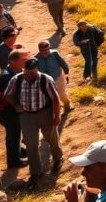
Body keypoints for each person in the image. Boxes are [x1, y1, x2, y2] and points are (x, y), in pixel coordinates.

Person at [5, 57, 63, 186]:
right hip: (26, 115)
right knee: (31, 144)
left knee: (51, 138)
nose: (30, 74)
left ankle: (58, 158)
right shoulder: (17, 79)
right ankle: (36, 172)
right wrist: (16, 106)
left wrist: (57, 115)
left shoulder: (46, 79)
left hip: (45, 112)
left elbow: (55, 99)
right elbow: (8, 95)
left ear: (37, 69)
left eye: (32, 72)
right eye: (27, 71)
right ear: (23, 69)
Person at [35, 40, 71, 112]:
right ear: (39, 50)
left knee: (61, 94)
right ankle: (57, 110)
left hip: (58, 77)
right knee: (51, 96)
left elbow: (63, 63)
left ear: (49, 48)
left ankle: (67, 104)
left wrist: (66, 74)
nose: (45, 52)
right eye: (42, 50)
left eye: (46, 49)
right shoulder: (36, 58)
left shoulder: (55, 54)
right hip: (46, 81)